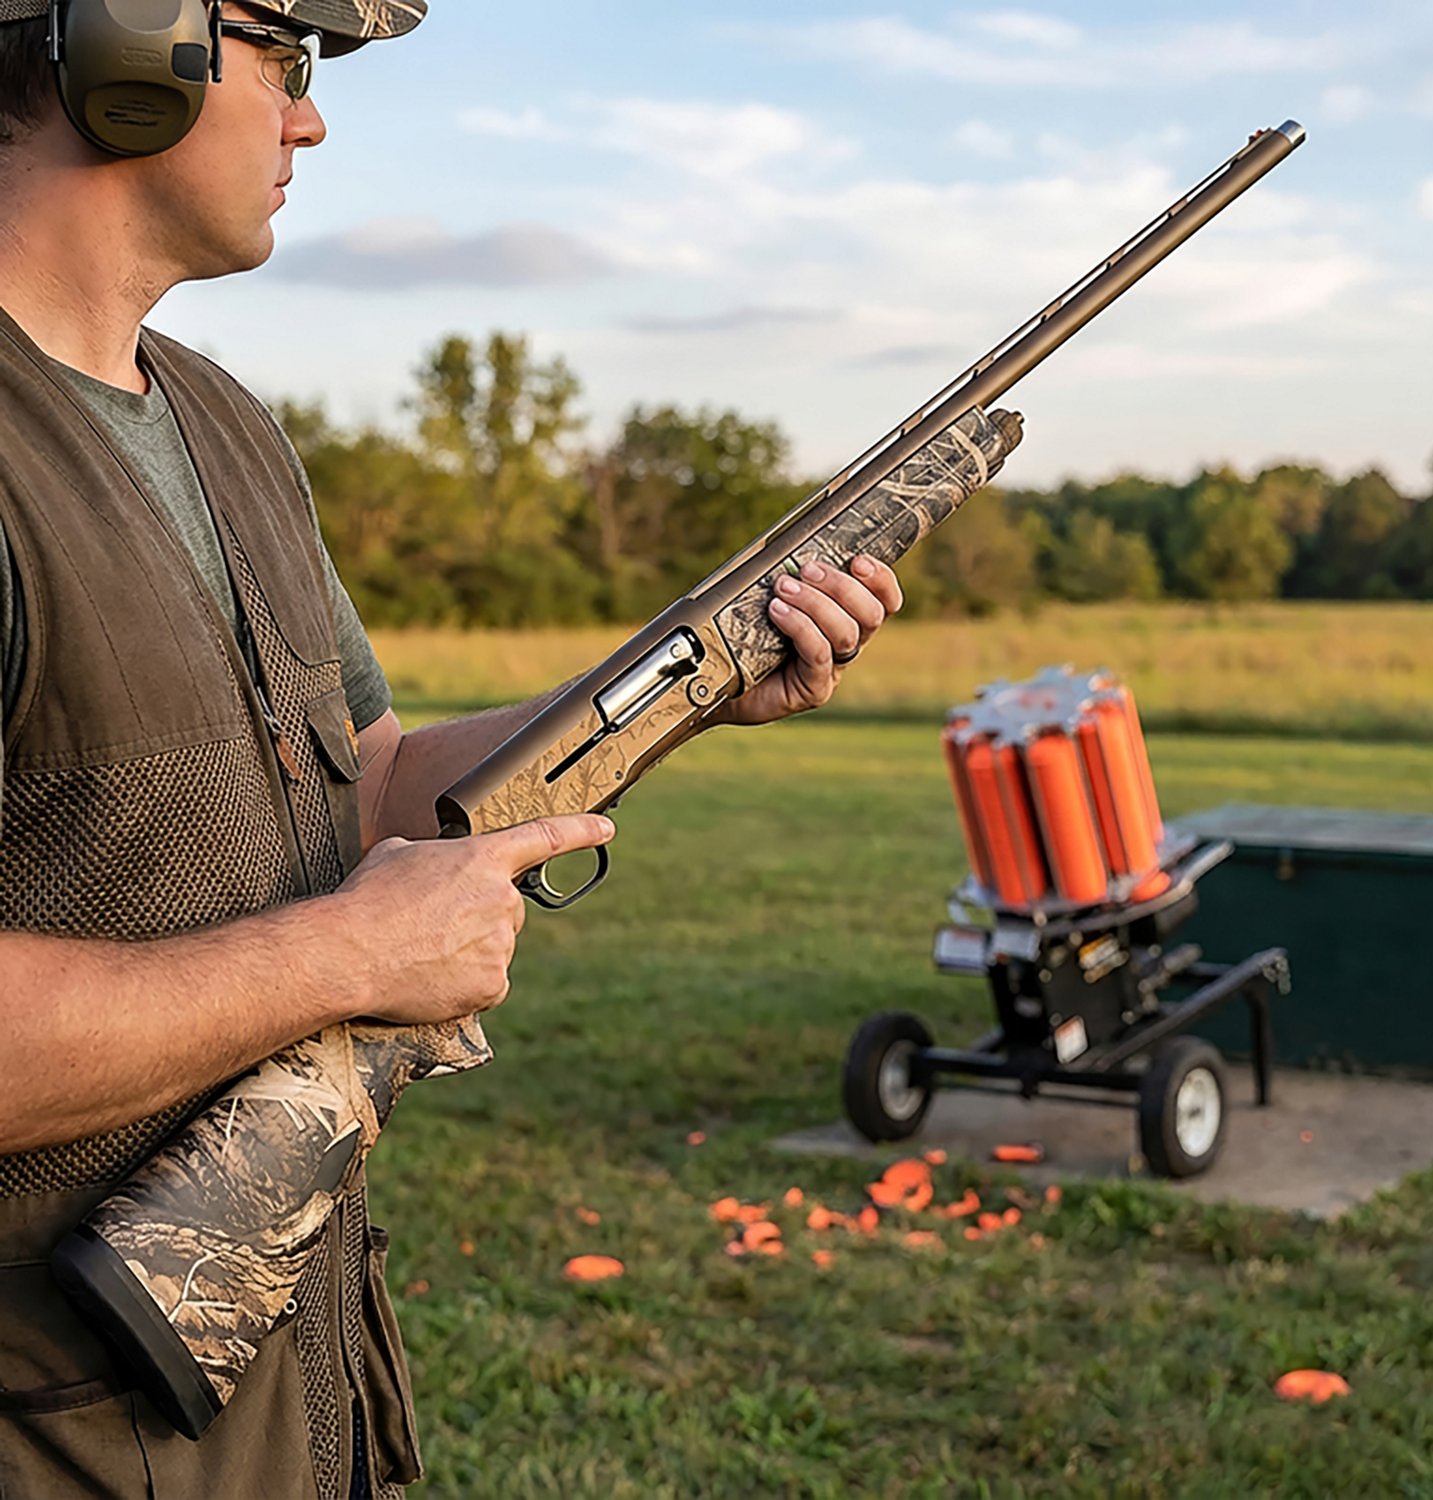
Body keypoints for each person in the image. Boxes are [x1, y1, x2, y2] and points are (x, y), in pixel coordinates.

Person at [0, 2, 902, 1495]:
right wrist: (352, 962)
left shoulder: (224, 426)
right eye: (284, 58)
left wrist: (679, 685)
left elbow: (373, 785)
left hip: (274, 1398)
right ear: (126, 40)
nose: (311, 119)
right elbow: (353, 921)